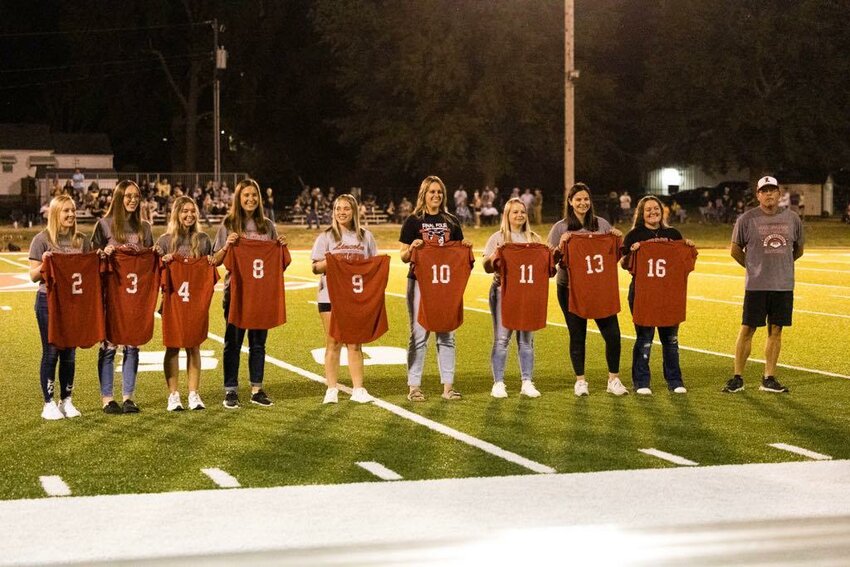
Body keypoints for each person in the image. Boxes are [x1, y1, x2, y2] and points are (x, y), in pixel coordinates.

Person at [723, 176, 804, 394]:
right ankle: (737, 377)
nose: (769, 194)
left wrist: (781, 266)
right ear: (758, 195)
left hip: (783, 285)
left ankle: (769, 377)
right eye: (764, 191)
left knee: (776, 331)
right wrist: (753, 267)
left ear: (779, 193)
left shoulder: (793, 219)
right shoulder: (747, 219)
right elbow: (735, 250)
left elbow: (798, 249)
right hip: (757, 285)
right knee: (747, 329)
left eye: (772, 190)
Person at [212, 178, 288, 409]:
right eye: (246, 195)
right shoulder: (229, 223)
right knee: (232, 342)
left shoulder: (267, 226)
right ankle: (231, 390)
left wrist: (281, 246)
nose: (250, 199)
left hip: (261, 294)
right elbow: (216, 260)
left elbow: (278, 265)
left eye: (254, 195)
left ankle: (257, 388)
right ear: (238, 198)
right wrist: (228, 245)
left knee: (258, 343)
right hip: (236, 292)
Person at [547, 183, 627, 396]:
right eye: (578, 199)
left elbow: (618, 256)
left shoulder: (602, 225)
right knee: (577, 334)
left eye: (586, 199)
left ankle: (614, 379)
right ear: (570, 202)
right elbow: (548, 263)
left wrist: (617, 239)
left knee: (612, 334)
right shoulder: (560, 228)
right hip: (570, 288)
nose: (582, 203)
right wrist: (560, 247)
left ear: (590, 201)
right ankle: (580, 381)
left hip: (599, 289)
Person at [399, 175, 472, 401]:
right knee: (419, 335)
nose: (436, 195)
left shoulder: (451, 221)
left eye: (439, 192)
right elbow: (403, 256)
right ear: (423, 194)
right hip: (420, 283)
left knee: (447, 334)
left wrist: (466, 247)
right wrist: (412, 248)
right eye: (432, 192)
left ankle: (448, 387)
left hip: (445, 286)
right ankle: (414, 387)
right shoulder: (413, 221)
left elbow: (458, 252)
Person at [620, 196, 697, 394]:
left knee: (670, 339)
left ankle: (675, 380)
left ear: (662, 211)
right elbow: (624, 264)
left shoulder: (673, 234)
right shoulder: (634, 235)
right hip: (643, 293)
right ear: (641, 213)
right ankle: (642, 382)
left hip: (668, 293)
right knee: (644, 338)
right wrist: (632, 252)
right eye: (648, 210)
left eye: (656, 209)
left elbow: (684, 261)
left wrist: (687, 246)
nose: (653, 212)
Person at [91, 180, 154, 414]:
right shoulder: (104, 225)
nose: (132, 200)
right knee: (109, 345)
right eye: (128, 196)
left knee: (133, 344)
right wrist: (101, 253)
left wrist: (156, 253)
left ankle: (129, 396)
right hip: (112, 295)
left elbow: (150, 261)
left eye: (136, 196)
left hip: (135, 296)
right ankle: (107, 398)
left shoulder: (144, 228)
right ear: (118, 198)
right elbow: (90, 257)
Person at [311, 194, 378, 404]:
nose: (342, 212)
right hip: (329, 295)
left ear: (354, 211)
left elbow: (372, 266)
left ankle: (358, 389)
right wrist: (332, 262)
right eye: (338, 208)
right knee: (333, 342)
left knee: (355, 342)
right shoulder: (326, 237)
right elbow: (315, 267)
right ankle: (331, 389)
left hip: (354, 296)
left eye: (346, 208)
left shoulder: (365, 236)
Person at [28, 195, 91, 419]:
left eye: (73, 211)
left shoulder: (82, 240)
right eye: (66, 211)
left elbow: (88, 271)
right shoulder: (41, 239)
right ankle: (48, 403)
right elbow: (33, 276)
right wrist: (46, 262)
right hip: (48, 302)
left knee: (70, 353)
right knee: (51, 351)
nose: (71, 215)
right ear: (55, 213)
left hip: (73, 303)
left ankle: (66, 400)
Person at [155, 196, 214, 411]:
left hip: (194, 302)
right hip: (172, 300)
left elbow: (212, 266)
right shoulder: (164, 241)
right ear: (176, 214)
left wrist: (210, 262)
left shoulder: (204, 240)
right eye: (184, 211)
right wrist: (164, 262)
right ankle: (173, 395)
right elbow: (154, 270)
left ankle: (193, 394)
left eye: (192, 211)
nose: (189, 215)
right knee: (172, 346)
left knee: (194, 346)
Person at [482, 198, 543, 398]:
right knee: (502, 338)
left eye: (522, 212)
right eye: (515, 212)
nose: (519, 215)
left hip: (526, 293)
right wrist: (495, 257)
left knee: (526, 340)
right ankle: (498, 382)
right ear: (507, 216)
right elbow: (485, 266)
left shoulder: (534, 239)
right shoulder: (498, 238)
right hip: (503, 291)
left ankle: (527, 381)